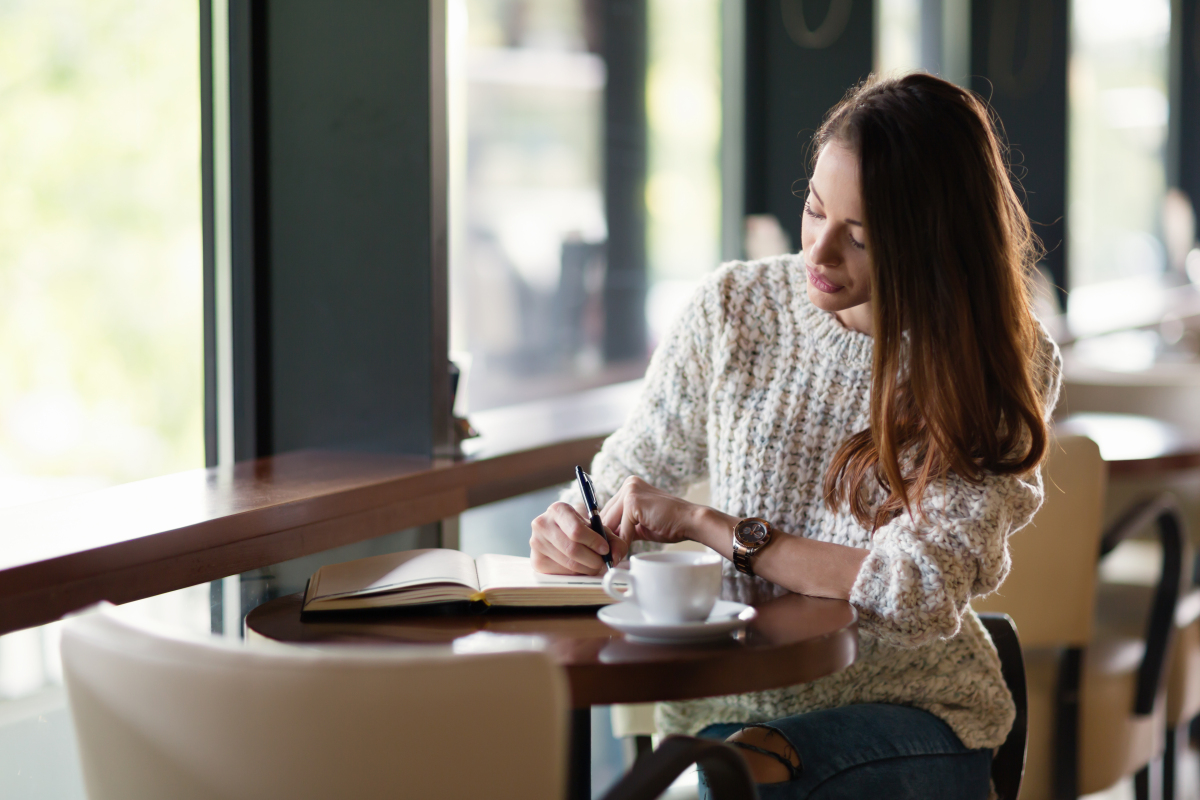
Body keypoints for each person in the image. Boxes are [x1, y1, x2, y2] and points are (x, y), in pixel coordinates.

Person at [530, 72, 1060, 799]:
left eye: (862, 237)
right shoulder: (734, 308)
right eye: (815, 211)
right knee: (715, 777)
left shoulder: (996, 362)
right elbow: (627, 476)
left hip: (910, 715)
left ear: (935, 242)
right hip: (723, 712)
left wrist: (704, 524)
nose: (819, 253)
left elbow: (915, 589)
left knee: (725, 787)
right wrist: (577, 532)